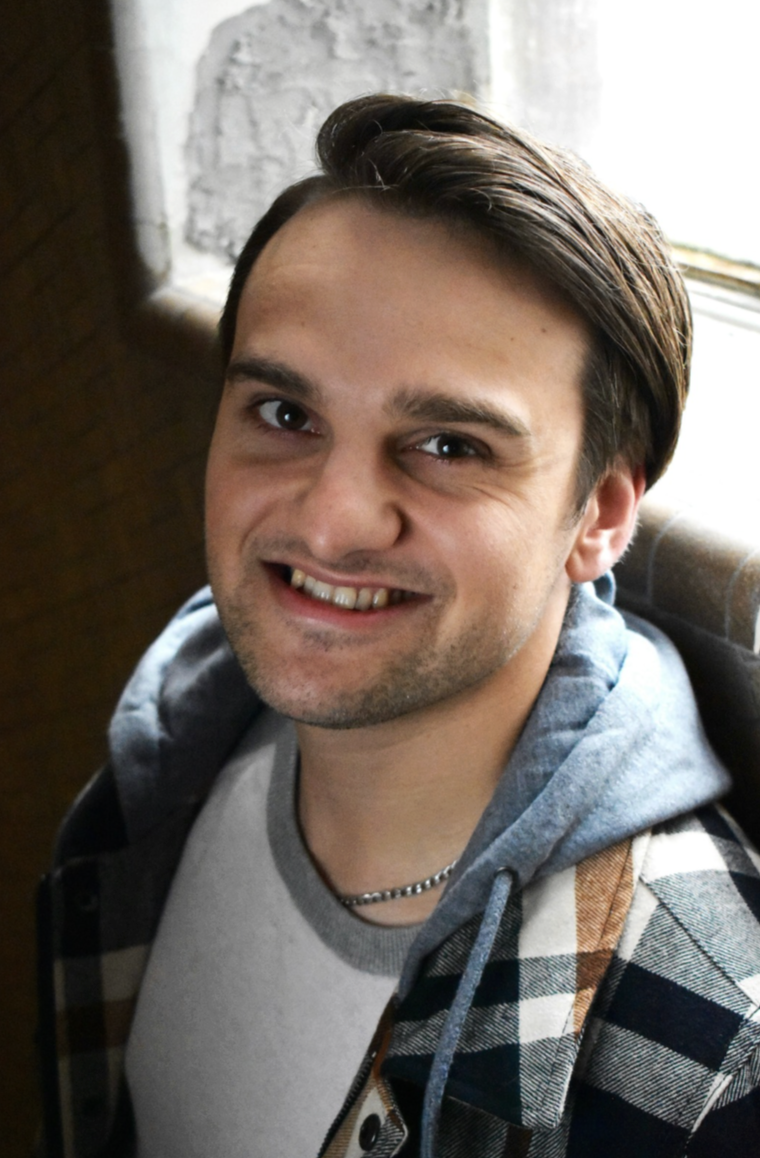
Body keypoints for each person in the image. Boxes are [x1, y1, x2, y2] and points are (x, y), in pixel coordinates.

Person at [37, 95, 760, 1158]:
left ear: (599, 514)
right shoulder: (162, 770)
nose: (332, 519)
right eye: (286, 415)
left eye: (450, 446)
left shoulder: (707, 1039)